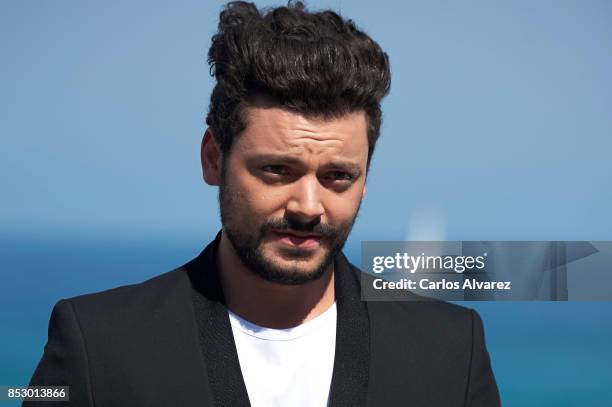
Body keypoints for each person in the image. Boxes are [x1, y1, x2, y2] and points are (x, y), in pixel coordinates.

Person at [25, 1, 501, 406]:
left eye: (339, 176)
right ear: (214, 159)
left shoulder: (451, 350)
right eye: (278, 170)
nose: (308, 206)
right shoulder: (98, 343)